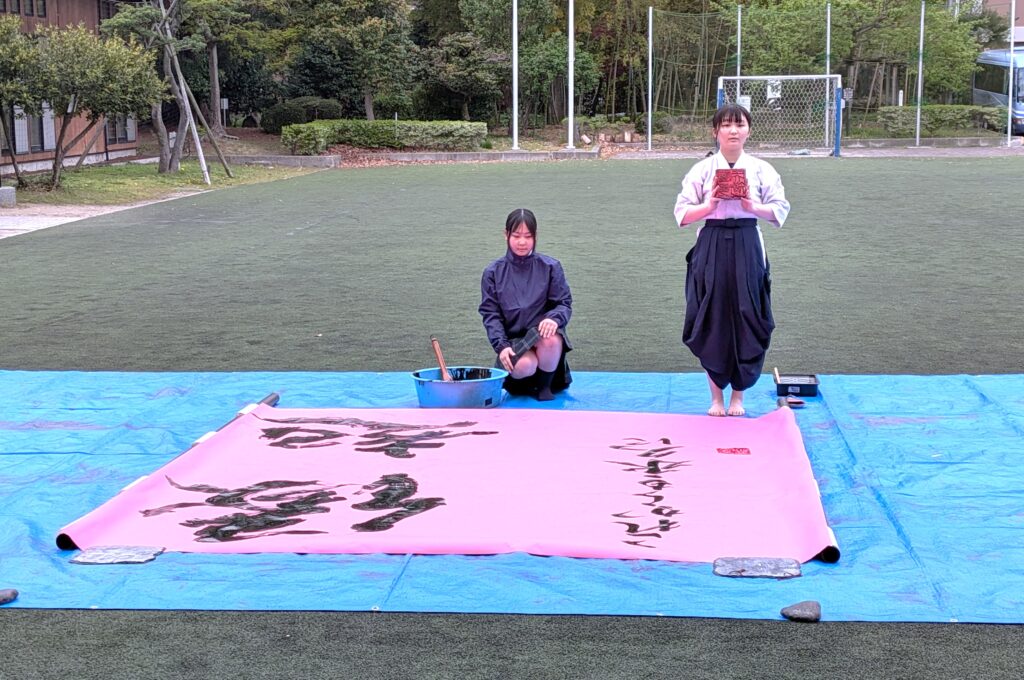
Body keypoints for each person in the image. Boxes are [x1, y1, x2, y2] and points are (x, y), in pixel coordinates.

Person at [673, 104, 791, 417]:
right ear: (716, 132)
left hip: (747, 240)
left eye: (739, 125)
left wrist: (752, 206)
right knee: (711, 313)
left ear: (748, 130)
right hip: (711, 240)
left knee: (748, 312)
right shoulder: (702, 170)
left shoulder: (762, 169)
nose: (733, 131)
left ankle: (738, 397)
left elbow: (780, 210)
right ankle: (715, 398)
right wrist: (710, 205)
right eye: (726, 125)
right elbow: (681, 214)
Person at [479, 208, 573, 401]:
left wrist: (554, 319)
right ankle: (523, 384)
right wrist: (501, 346)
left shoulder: (551, 267)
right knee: (524, 365)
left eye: (528, 236)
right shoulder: (492, 272)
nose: (522, 242)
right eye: (516, 236)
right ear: (506, 234)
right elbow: (490, 314)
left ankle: (545, 388)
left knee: (551, 339)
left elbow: (564, 303)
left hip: (541, 338)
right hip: (514, 343)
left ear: (535, 236)